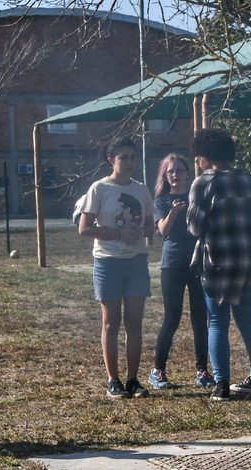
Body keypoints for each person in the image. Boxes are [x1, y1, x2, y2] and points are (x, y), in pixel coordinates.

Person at [186, 128, 251, 402]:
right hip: (247, 261)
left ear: (207, 156)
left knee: (217, 323)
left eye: (199, 156)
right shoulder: (250, 181)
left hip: (216, 263)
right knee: (247, 320)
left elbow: (194, 227)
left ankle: (221, 383)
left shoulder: (203, 183)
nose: (198, 161)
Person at [78, 136, 155, 399]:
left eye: (133, 157)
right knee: (111, 322)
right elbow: (84, 228)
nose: (129, 162)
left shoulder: (142, 190)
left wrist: (140, 232)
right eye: (123, 157)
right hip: (107, 262)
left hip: (136, 262)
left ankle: (133, 380)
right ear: (112, 160)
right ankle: (114, 380)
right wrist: (118, 235)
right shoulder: (99, 189)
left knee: (134, 323)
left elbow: (149, 225)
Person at [148, 153, 216, 390]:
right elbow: (164, 231)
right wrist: (174, 212)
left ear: (188, 173)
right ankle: (158, 370)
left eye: (179, 170)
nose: (175, 175)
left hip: (198, 263)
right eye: (171, 172)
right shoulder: (161, 200)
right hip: (173, 264)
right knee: (172, 317)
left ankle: (203, 370)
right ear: (165, 176)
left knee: (200, 317)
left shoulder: (197, 195)